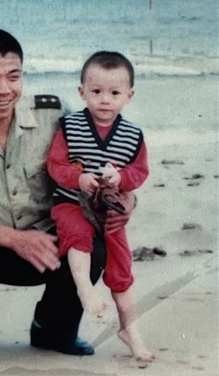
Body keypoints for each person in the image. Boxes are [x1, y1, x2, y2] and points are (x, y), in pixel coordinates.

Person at [0, 29, 135, 356]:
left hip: (48, 242)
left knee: (97, 246)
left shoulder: (55, 114)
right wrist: (15, 239)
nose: (5, 89)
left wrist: (127, 199)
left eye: (13, 76)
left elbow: (102, 166)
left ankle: (52, 330)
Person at [47, 51, 152, 362]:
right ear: (82, 92)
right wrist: (78, 178)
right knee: (77, 235)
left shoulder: (133, 135)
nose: (105, 100)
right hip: (71, 202)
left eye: (115, 93)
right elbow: (55, 164)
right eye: (96, 91)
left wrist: (121, 178)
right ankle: (85, 290)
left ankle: (131, 332)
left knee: (122, 267)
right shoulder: (70, 126)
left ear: (129, 96)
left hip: (109, 212)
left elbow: (140, 171)